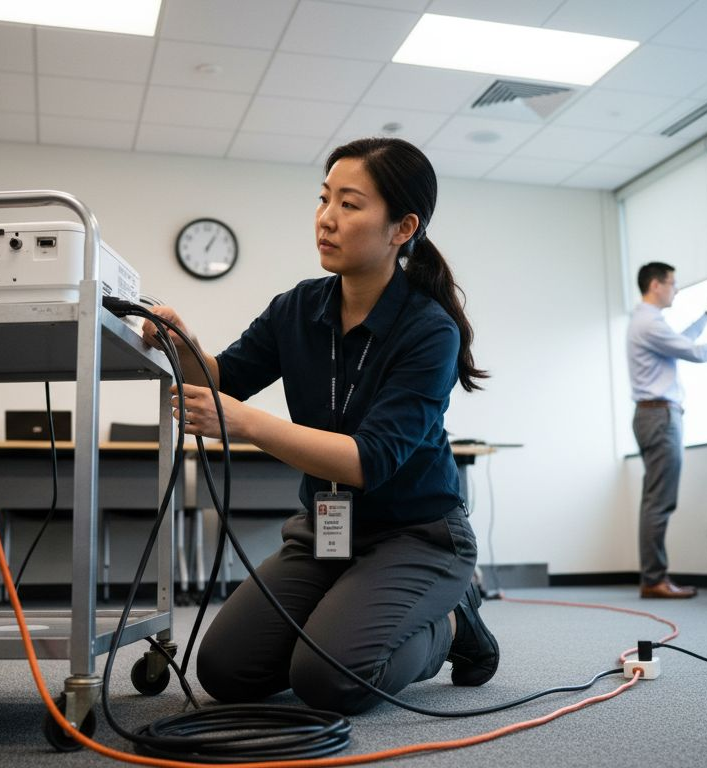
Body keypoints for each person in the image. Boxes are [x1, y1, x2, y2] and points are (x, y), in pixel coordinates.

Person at [140, 137, 497, 715]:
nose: (326, 219)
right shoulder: (297, 308)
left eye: (350, 205)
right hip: (327, 531)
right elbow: (223, 378)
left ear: (402, 228)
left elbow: (368, 460)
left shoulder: (430, 331)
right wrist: (183, 343)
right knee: (226, 670)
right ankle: (353, 612)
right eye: (324, 198)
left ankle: (454, 625)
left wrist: (244, 423)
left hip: (417, 536)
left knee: (331, 681)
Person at [627, 262, 707, 599]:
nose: (676, 289)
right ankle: (654, 579)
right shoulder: (648, 322)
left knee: (655, 499)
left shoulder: (647, 322)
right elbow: (694, 352)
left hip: (654, 416)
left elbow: (680, 342)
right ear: (656, 285)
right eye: (672, 283)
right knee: (659, 502)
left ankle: (654, 577)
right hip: (660, 418)